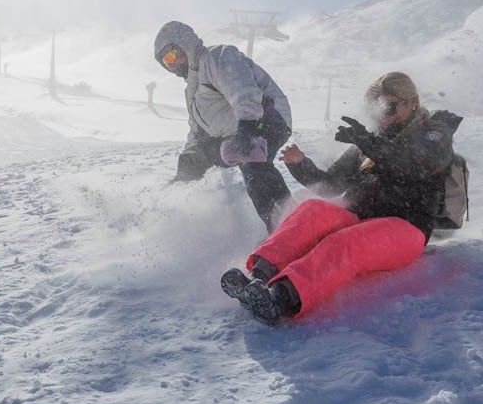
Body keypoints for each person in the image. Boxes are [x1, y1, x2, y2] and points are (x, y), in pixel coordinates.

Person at [220, 71, 461, 324]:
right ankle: (258, 276)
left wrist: (369, 143)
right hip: (361, 217)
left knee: (346, 242)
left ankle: (282, 297)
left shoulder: (434, 135)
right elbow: (331, 184)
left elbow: (418, 165)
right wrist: (300, 164)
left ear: (412, 102)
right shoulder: (370, 141)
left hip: (407, 227)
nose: (383, 114)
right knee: (312, 210)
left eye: (390, 106)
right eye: (376, 107)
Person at [154, 20, 294, 227]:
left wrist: (247, 124)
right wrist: (191, 156)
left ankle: (287, 225)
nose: (173, 62)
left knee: (252, 159)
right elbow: (197, 129)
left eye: (173, 54)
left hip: (266, 119)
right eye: (166, 60)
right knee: (193, 165)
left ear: (185, 43)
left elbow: (243, 90)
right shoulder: (191, 90)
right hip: (235, 133)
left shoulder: (216, 57)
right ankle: (165, 218)